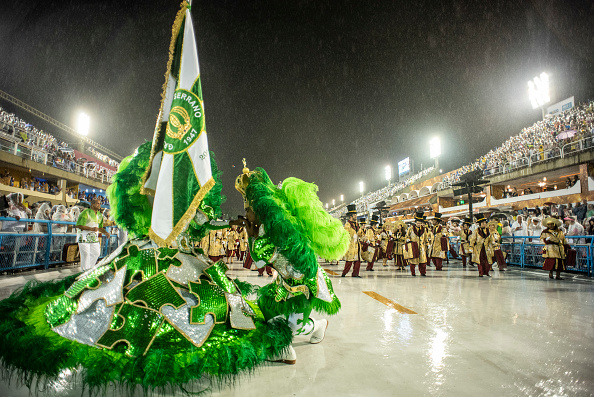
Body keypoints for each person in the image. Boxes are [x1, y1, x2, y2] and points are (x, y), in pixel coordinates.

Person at [235, 164, 346, 364]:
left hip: (304, 288)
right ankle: (295, 338)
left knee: (294, 328)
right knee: (264, 309)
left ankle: (317, 326)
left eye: (248, 211)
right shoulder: (270, 226)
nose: (246, 215)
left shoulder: (281, 231)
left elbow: (260, 260)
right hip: (285, 285)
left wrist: (251, 237)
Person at [76, 197, 110, 271]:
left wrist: (105, 232)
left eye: (100, 203)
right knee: (86, 255)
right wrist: (91, 229)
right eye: (97, 203)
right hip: (84, 238)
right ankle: (84, 271)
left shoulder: (99, 215)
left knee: (96, 253)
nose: (99, 205)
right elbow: (78, 225)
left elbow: (100, 227)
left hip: (94, 238)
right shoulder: (85, 212)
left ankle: (89, 270)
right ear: (92, 204)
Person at [404, 212, 429, 276]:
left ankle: (423, 272)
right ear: (415, 222)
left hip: (421, 247)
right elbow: (407, 236)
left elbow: (426, 238)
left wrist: (427, 244)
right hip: (414, 247)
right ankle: (413, 272)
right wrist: (408, 239)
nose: (419, 224)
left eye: (420, 223)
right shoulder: (411, 229)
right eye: (418, 223)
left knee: (423, 261)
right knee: (413, 261)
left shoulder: (424, 229)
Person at [341, 204, 362, 278]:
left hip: (357, 244)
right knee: (349, 261)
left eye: (356, 214)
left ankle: (355, 274)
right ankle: (344, 273)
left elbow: (360, 233)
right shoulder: (347, 224)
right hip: (351, 245)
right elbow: (345, 234)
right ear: (351, 216)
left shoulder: (357, 224)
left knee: (357, 260)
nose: (356, 216)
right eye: (354, 215)